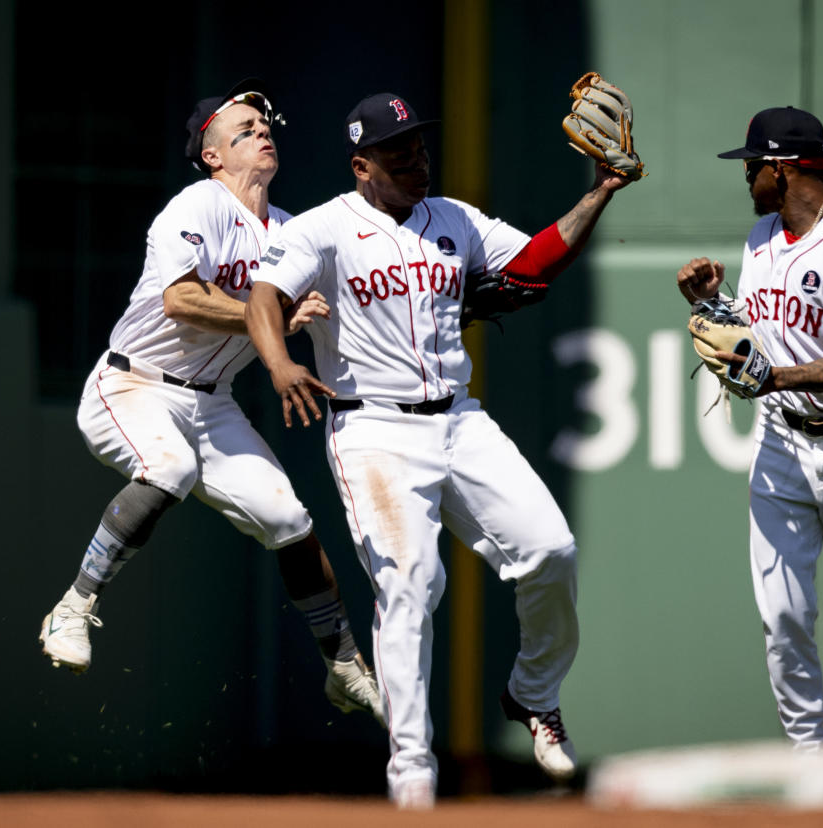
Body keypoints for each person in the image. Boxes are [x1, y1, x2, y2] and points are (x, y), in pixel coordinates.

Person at [245, 91, 632, 808]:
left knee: (551, 550)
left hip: (459, 420)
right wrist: (277, 362)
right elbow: (263, 298)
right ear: (362, 165)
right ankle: (412, 776)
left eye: (419, 147)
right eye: (398, 153)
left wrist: (601, 191)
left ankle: (533, 695)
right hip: (374, 432)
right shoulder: (324, 228)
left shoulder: (453, 217)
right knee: (411, 588)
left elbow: (534, 265)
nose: (417, 161)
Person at [37, 78, 384, 728]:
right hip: (134, 384)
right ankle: (75, 606)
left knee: (289, 519)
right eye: (243, 128)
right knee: (169, 468)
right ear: (213, 154)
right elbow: (182, 300)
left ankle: (342, 665)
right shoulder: (196, 205)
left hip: (212, 405)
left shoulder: (289, 230)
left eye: (264, 124)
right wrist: (275, 314)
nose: (262, 131)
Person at [676, 106, 823, 757]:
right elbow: (757, 343)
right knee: (783, 616)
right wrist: (707, 305)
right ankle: (808, 764)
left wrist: (775, 378)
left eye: (752, 164)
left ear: (784, 168)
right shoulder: (759, 238)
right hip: (779, 444)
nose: (745, 174)